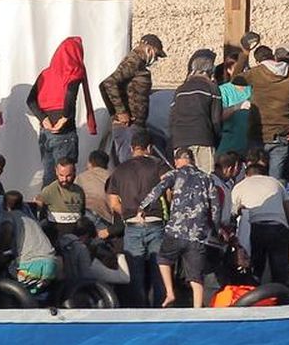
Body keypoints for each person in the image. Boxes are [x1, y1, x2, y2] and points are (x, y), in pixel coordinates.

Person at [139, 147, 220, 308]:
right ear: (192, 160)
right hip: (198, 233)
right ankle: (197, 309)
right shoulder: (207, 178)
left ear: (177, 161)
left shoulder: (174, 174)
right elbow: (216, 207)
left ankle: (170, 292)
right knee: (196, 277)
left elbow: (158, 189)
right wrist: (214, 229)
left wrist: (144, 206)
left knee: (163, 259)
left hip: (176, 230)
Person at [105, 129, 167, 307]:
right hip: (155, 221)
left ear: (132, 148)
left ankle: (140, 311)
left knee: (135, 274)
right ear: (150, 148)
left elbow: (113, 202)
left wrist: (127, 212)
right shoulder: (158, 165)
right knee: (159, 272)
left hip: (132, 224)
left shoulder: (119, 170)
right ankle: (160, 310)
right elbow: (169, 189)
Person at [27, 37, 97, 188]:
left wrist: (43, 118)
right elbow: (70, 96)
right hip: (64, 132)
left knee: (49, 175)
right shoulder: (73, 71)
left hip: (46, 131)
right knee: (66, 178)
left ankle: (46, 202)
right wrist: (64, 118)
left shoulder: (46, 73)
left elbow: (30, 100)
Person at [230, 40, 289, 182]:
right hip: (281, 132)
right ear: (273, 57)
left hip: (258, 132)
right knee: (276, 180)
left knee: (254, 178)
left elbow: (235, 79)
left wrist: (245, 53)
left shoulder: (256, 72)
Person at [100, 34, 166, 164]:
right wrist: (120, 112)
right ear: (149, 49)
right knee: (131, 165)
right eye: (156, 55)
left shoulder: (139, 64)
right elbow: (108, 83)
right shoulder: (133, 61)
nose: (156, 59)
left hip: (135, 126)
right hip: (128, 126)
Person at [231, 163, 289, 286]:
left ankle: (255, 292)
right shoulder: (276, 183)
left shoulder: (240, 186)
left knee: (256, 268)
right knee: (280, 271)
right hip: (279, 227)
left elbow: (232, 212)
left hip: (255, 228)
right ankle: (280, 293)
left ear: (246, 175)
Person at [169, 49, 223, 174]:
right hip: (203, 138)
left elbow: (172, 119)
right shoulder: (212, 88)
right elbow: (216, 120)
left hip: (180, 141)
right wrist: (217, 140)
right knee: (205, 178)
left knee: (184, 178)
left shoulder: (180, 89)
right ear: (210, 71)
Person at [0, 191, 58, 294]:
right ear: (22, 205)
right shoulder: (31, 219)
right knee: (34, 293)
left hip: (30, 267)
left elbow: (7, 229)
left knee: (6, 280)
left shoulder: (8, 215)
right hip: (50, 264)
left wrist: (0, 251)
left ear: (4, 205)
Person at [58, 217, 130, 286]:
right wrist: (119, 254)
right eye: (90, 240)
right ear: (86, 236)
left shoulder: (62, 243)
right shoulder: (88, 260)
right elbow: (124, 278)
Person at [35, 157, 86, 242]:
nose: (64, 179)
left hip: (75, 235)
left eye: (68, 175)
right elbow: (38, 206)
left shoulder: (79, 191)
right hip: (57, 235)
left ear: (74, 172)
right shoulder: (49, 190)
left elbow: (82, 213)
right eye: (61, 175)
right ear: (56, 172)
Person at [76, 150, 113, 228]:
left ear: (90, 163)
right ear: (106, 165)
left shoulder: (81, 177)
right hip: (104, 218)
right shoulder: (112, 177)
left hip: (84, 214)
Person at [217, 75, 252, 156]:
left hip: (250, 144)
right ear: (229, 70)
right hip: (230, 144)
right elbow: (219, 115)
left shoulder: (253, 88)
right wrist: (237, 107)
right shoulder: (223, 90)